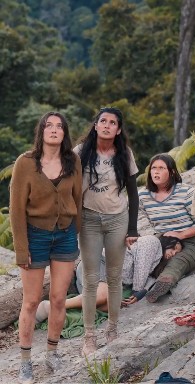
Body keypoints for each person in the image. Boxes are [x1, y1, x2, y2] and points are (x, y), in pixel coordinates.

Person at [9, 111, 82, 382]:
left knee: (59, 299)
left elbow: (78, 199)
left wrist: (77, 235)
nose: (54, 130)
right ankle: (25, 360)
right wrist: (21, 248)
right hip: (35, 237)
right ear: (41, 132)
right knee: (30, 301)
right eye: (48, 125)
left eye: (59, 126)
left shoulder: (72, 160)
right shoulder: (25, 163)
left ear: (64, 133)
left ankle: (52, 353)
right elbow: (16, 210)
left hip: (64, 236)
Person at [74, 107, 139, 356]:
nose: (107, 125)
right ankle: (89, 336)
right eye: (103, 121)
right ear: (96, 125)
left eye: (113, 123)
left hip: (117, 220)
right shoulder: (81, 152)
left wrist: (133, 227)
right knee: (90, 279)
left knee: (114, 277)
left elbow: (133, 194)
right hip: (88, 219)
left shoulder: (124, 154)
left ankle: (112, 329)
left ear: (118, 129)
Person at [35, 236, 183, 320]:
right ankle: (52, 306)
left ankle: (68, 305)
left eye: (177, 253)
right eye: (174, 248)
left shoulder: (157, 263)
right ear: (167, 241)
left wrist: (142, 291)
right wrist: (138, 291)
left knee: (113, 305)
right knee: (104, 295)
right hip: (101, 262)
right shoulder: (152, 242)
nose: (174, 253)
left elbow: (150, 278)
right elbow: (141, 267)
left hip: (109, 278)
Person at [139, 153, 195, 303]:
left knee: (179, 261)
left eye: (161, 168)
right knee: (144, 257)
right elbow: (149, 224)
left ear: (172, 172)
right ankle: (139, 286)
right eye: (153, 168)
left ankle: (163, 283)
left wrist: (179, 236)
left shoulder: (186, 192)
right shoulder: (143, 196)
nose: (156, 171)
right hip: (162, 240)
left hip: (189, 240)